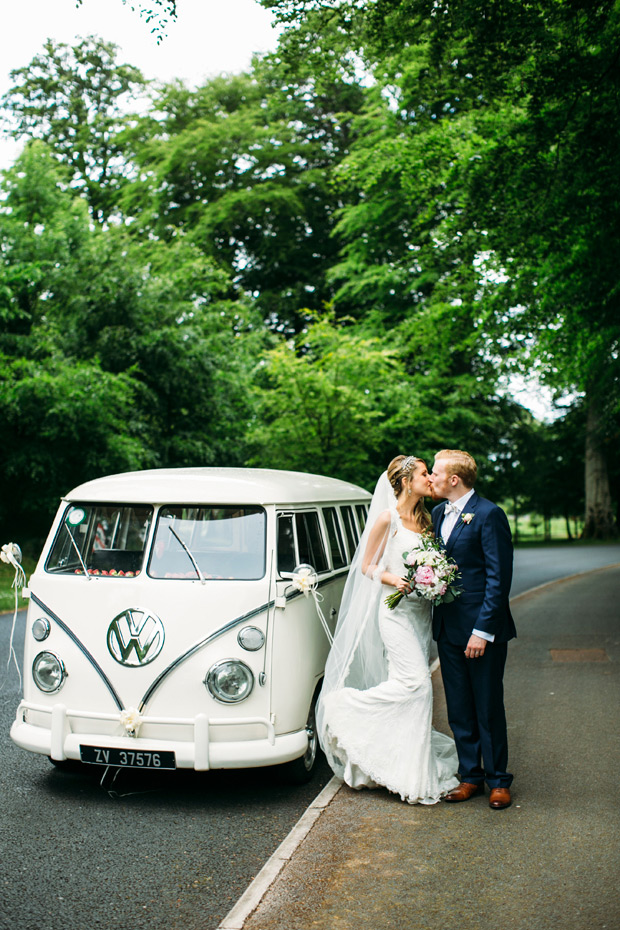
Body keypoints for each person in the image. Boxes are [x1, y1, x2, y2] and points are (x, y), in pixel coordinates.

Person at [316, 455, 459, 805]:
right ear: (407, 481)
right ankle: (344, 707)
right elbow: (365, 566)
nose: (431, 479)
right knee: (418, 686)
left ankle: (401, 766)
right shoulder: (387, 518)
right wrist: (394, 578)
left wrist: (435, 579)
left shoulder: (427, 520)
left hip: (419, 614)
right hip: (393, 613)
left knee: (409, 686)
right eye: (425, 474)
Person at [429, 449, 516, 810]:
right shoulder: (436, 513)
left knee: (487, 705)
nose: (430, 478)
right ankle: (470, 777)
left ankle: (498, 780)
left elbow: (499, 578)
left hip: (482, 630)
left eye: (435, 472)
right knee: (459, 707)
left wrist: (483, 630)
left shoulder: (488, 514)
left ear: (454, 479)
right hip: (447, 628)